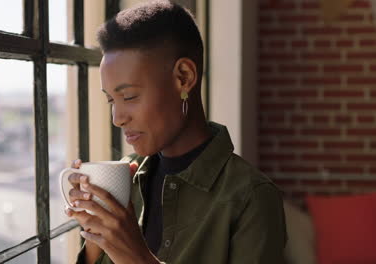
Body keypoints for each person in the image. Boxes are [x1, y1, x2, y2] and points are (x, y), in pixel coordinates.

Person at [65, 1, 287, 263]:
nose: (117, 118)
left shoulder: (252, 197)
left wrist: (137, 257)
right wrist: (94, 233)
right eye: (111, 100)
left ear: (183, 77)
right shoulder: (124, 180)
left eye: (129, 96)